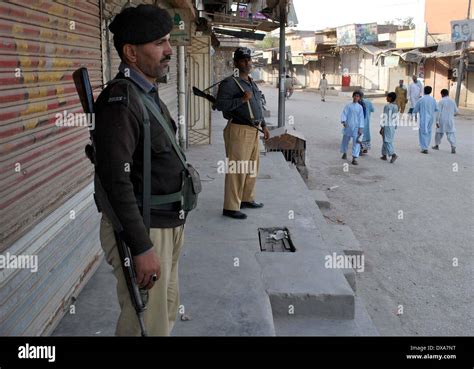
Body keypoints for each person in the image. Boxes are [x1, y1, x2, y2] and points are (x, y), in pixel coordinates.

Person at [94, 5, 186, 336]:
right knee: (143, 323)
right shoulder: (120, 101)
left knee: (164, 313)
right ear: (131, 52)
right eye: (159, 43)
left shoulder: (145, 93)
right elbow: (115, 181)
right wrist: (141, 245)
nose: (169, 51)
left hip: (166, 224)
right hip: (146, 230)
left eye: (168, 41)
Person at [214, 47, 270, 219]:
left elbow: (258, 106)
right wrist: (241, 100)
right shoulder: (230, 83)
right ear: (236, 63)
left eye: (249, 59)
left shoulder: (251, 82)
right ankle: (230, 207)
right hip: (239, 129)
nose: (247, 62)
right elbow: (220, 106)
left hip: (254, 130)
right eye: (243, 60)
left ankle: (246, 198)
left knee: (252, 167)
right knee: (237, 168)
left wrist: (264, 125)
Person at [340, 91, 365, 165]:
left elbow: (361, 118)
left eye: (358, 96)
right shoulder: (348, 106)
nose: (356, 97)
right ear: (353, 96)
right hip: (348, 126)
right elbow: (344, 113)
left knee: (356, 142)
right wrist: (344, 121)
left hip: (356, 127)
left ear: (359, 98)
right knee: (345, 141)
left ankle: (354, 158)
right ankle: (344, 152)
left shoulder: (360, 107)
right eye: (355, 96)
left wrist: (360, 128)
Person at [412, 86, 438, 154]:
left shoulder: (421, 100)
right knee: (429, 131)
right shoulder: (433, 100)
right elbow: (436, 109)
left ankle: (424, 148)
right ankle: (426, 145)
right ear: (431, 91)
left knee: (423, 132)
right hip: (431, 118)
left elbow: (415, 109)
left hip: (423, 118)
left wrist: (414, 114)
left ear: (424, 91)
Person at [432, 89, 458, 153]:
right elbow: (456, 111)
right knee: (451, 133)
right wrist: (451, 115)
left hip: (442, 120)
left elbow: (438, 112)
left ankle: (437, 145)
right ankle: (453, 146)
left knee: (438, 133)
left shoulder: (441, 101)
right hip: (450, 120)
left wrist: (437, 121)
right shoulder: (452, 101)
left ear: (442, 94)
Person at [380, 92, 399, 163]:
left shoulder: (387, 106)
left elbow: (384, 117)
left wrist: (382, 127)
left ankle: (392, 154)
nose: (386, 98)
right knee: (387, 140)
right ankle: (384, 155)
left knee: (386, 141)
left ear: (390, 98)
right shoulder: (396, 106)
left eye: (387, 97)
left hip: (387, 126)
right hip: (392, 126)